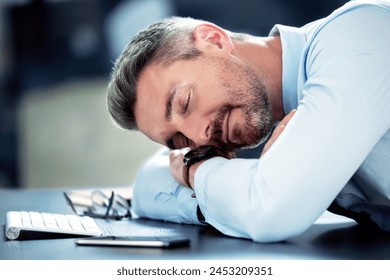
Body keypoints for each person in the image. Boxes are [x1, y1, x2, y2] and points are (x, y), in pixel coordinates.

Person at [107, 0, 390, 242]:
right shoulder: (263, 111)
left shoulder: (358, 37)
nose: (201, 137)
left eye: (185, 102)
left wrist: (194, 174)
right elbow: (147, 185)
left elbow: (271, 211)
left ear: (215, 40)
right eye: (181, 142)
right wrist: (221, 186)